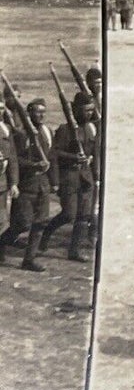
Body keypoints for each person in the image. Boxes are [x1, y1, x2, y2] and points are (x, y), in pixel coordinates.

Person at [39, 92, 98, 262]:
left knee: (84, 215)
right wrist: (73, 158)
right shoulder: (65, 129)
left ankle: (75, 251)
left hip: (86, 177)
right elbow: (55, 153)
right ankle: (47, 233)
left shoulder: (91, 128)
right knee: (68, 214)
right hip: (69, 178)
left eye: (91, 110)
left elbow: (94, 151)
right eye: (85, 110)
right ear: (76, 110)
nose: (89, 114)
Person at [0, 99, 52, 271]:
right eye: (37, 111)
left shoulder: (47, 131)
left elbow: (51, 157)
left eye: (43, 111)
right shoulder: (21, 134)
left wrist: (54, 182)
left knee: (41, 223)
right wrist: (34, 165)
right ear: (29, 113)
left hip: (43, 185)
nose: (41, 115)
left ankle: (29, 259)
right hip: (27, 185)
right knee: (22, 224)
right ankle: (1, 243)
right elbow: (15, 159)